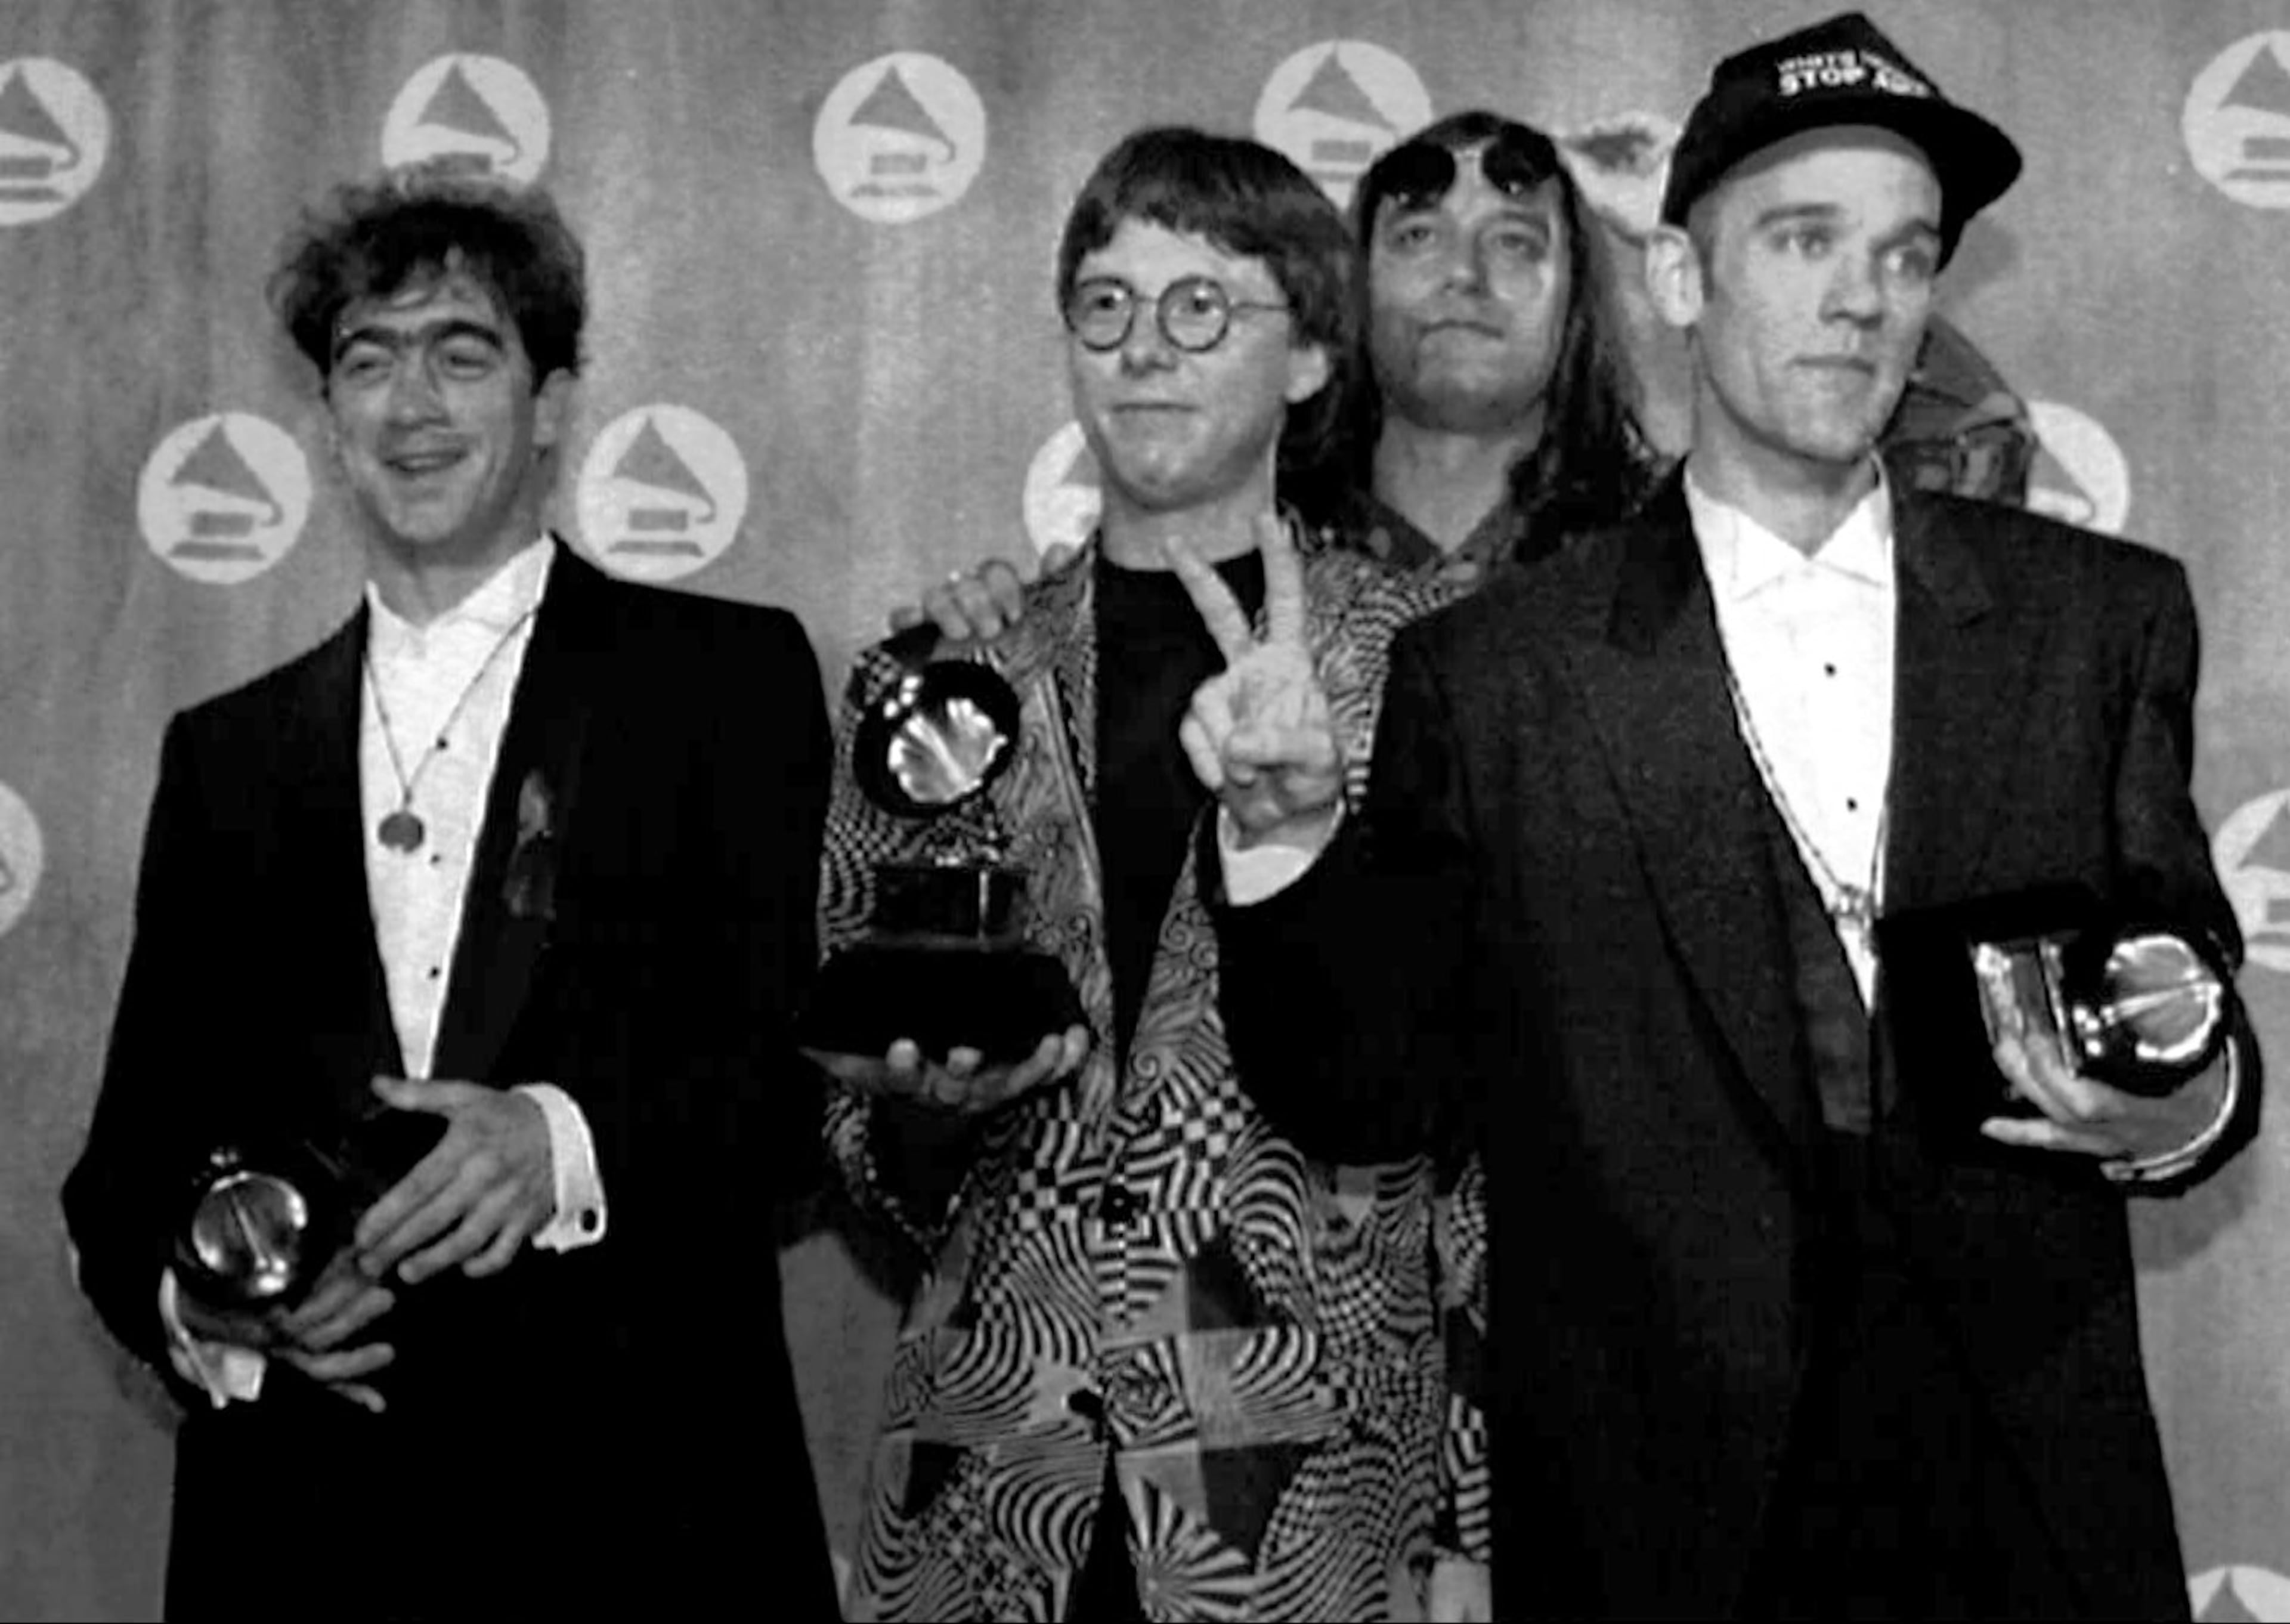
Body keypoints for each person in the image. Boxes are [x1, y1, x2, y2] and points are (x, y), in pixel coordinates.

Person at [1200, 12, 2259, 1619]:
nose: (1862, 296)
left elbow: (2184, 993)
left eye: (1905, 256)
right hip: (1651, 1520)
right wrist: (1281, 837)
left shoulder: (2096, 623)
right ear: (1685, 282)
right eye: (1804, 240)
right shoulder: (1497, 673)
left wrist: (2169, 1110)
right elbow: (1366, 1090)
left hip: (2027, 1504)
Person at [61, 163, 837, 1619]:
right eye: (368, 360)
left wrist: (565, 1143)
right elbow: (125, 1173)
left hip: (647, 1522)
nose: (410, 403)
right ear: (328, 418)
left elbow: (812, 1090)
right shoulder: (224, 755)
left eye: (460, 353)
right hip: (305, 1530)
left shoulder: (723, 684)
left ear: (552, 402)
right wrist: (222, 1301)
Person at [807, 126, 1456, 1622]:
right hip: (990, 1493)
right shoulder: (939, 680)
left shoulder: (1437, 666)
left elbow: (1490, 1135)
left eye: (1201, 307)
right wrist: (917, 1117)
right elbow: (854, 1122)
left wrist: (1476, 1512)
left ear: (1309, 359)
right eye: (1107, 306)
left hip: (1305, 1499)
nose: (1144, 350)